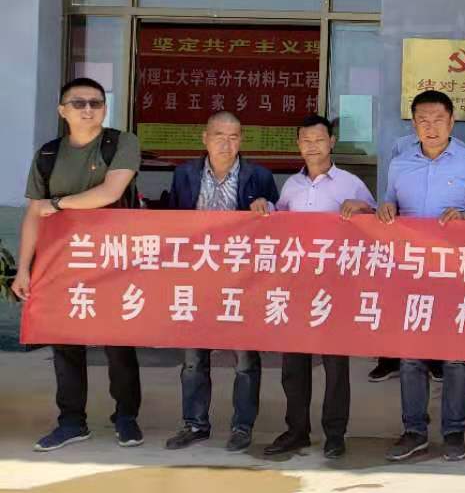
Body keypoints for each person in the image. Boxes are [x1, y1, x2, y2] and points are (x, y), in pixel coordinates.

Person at [15, 78, 144, 452]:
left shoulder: (121, 143)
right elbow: (33, 215)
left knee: (118, 342)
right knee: (65, 343)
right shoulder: (48, 154)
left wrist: (57, 204)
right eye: (79, 103)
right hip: (60, 262)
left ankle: (126, 417)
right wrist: (23, 268)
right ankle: (71, 421)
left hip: (114, 259)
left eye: (96, 103)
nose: (88, 109)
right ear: (62, 110)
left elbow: (111, 192)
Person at [374, 90, 465, 464]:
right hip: (410, 274)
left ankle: (454, 432)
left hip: (456, 274)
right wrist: (386, 208)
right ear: (413, 125)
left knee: (455, 358)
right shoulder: (399, 165)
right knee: (411, 357)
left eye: (438, 119)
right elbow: (389, 205)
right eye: (423, 120)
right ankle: (414, 431)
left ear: (452, 122)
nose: (431, 127)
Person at [251, 115, 375, 460]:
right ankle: (296, 430)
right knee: (294, 364)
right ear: (298, 145)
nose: (313, 146)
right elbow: (278, 222)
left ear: (331, 142)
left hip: (335, 286)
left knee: (335, 365)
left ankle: (335, 433)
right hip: (296, 285)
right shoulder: (291, 185)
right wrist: (264, 207)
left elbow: (379, 224)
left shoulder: (351, 183)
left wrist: (364, 208)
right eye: (306, 141)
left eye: (319, 140)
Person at [161, 112, 279, 453]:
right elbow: (172, 223)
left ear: (241, 139)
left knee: (245, 360)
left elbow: (276, 227)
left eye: (234, 136)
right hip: (196, 277)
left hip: (243, 280)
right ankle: (194, 423)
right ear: (205, 138)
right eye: (219, 136)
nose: (226, 144)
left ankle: (242, 427)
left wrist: (267, 208)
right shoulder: (185, 174)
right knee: (194, 359)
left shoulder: (259, 176)